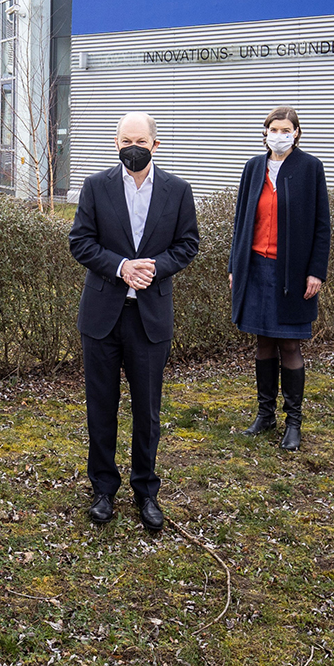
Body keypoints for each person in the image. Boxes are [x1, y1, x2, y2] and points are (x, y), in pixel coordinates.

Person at [68, 112, 199, 531]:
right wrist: (121, 266)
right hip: (102, 314)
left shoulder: (177, 190)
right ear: (116, 142)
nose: (132, 148)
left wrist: (153, 268)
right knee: (100, 407)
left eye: (139, 140)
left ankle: (146, 491)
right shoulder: (96, 186)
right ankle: (103, 488)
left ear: (155, 144)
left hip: (149, 318)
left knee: (147, 410)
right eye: (125, 140)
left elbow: (188, 244)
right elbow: (80, 242)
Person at [228, 106, 331, 452]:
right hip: (256, 267)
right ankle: (265, 415)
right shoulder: (253, 167)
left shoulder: (310, 168)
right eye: (274, 129)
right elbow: (241, 221)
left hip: (294, 272)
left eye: (286, 129)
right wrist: (235, 266)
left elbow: (322, 225)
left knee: (290, 344)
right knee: (263, 343)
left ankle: (294, 421)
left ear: (297, 133)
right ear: (265, 132)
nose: (280, 135)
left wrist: (316, 270)